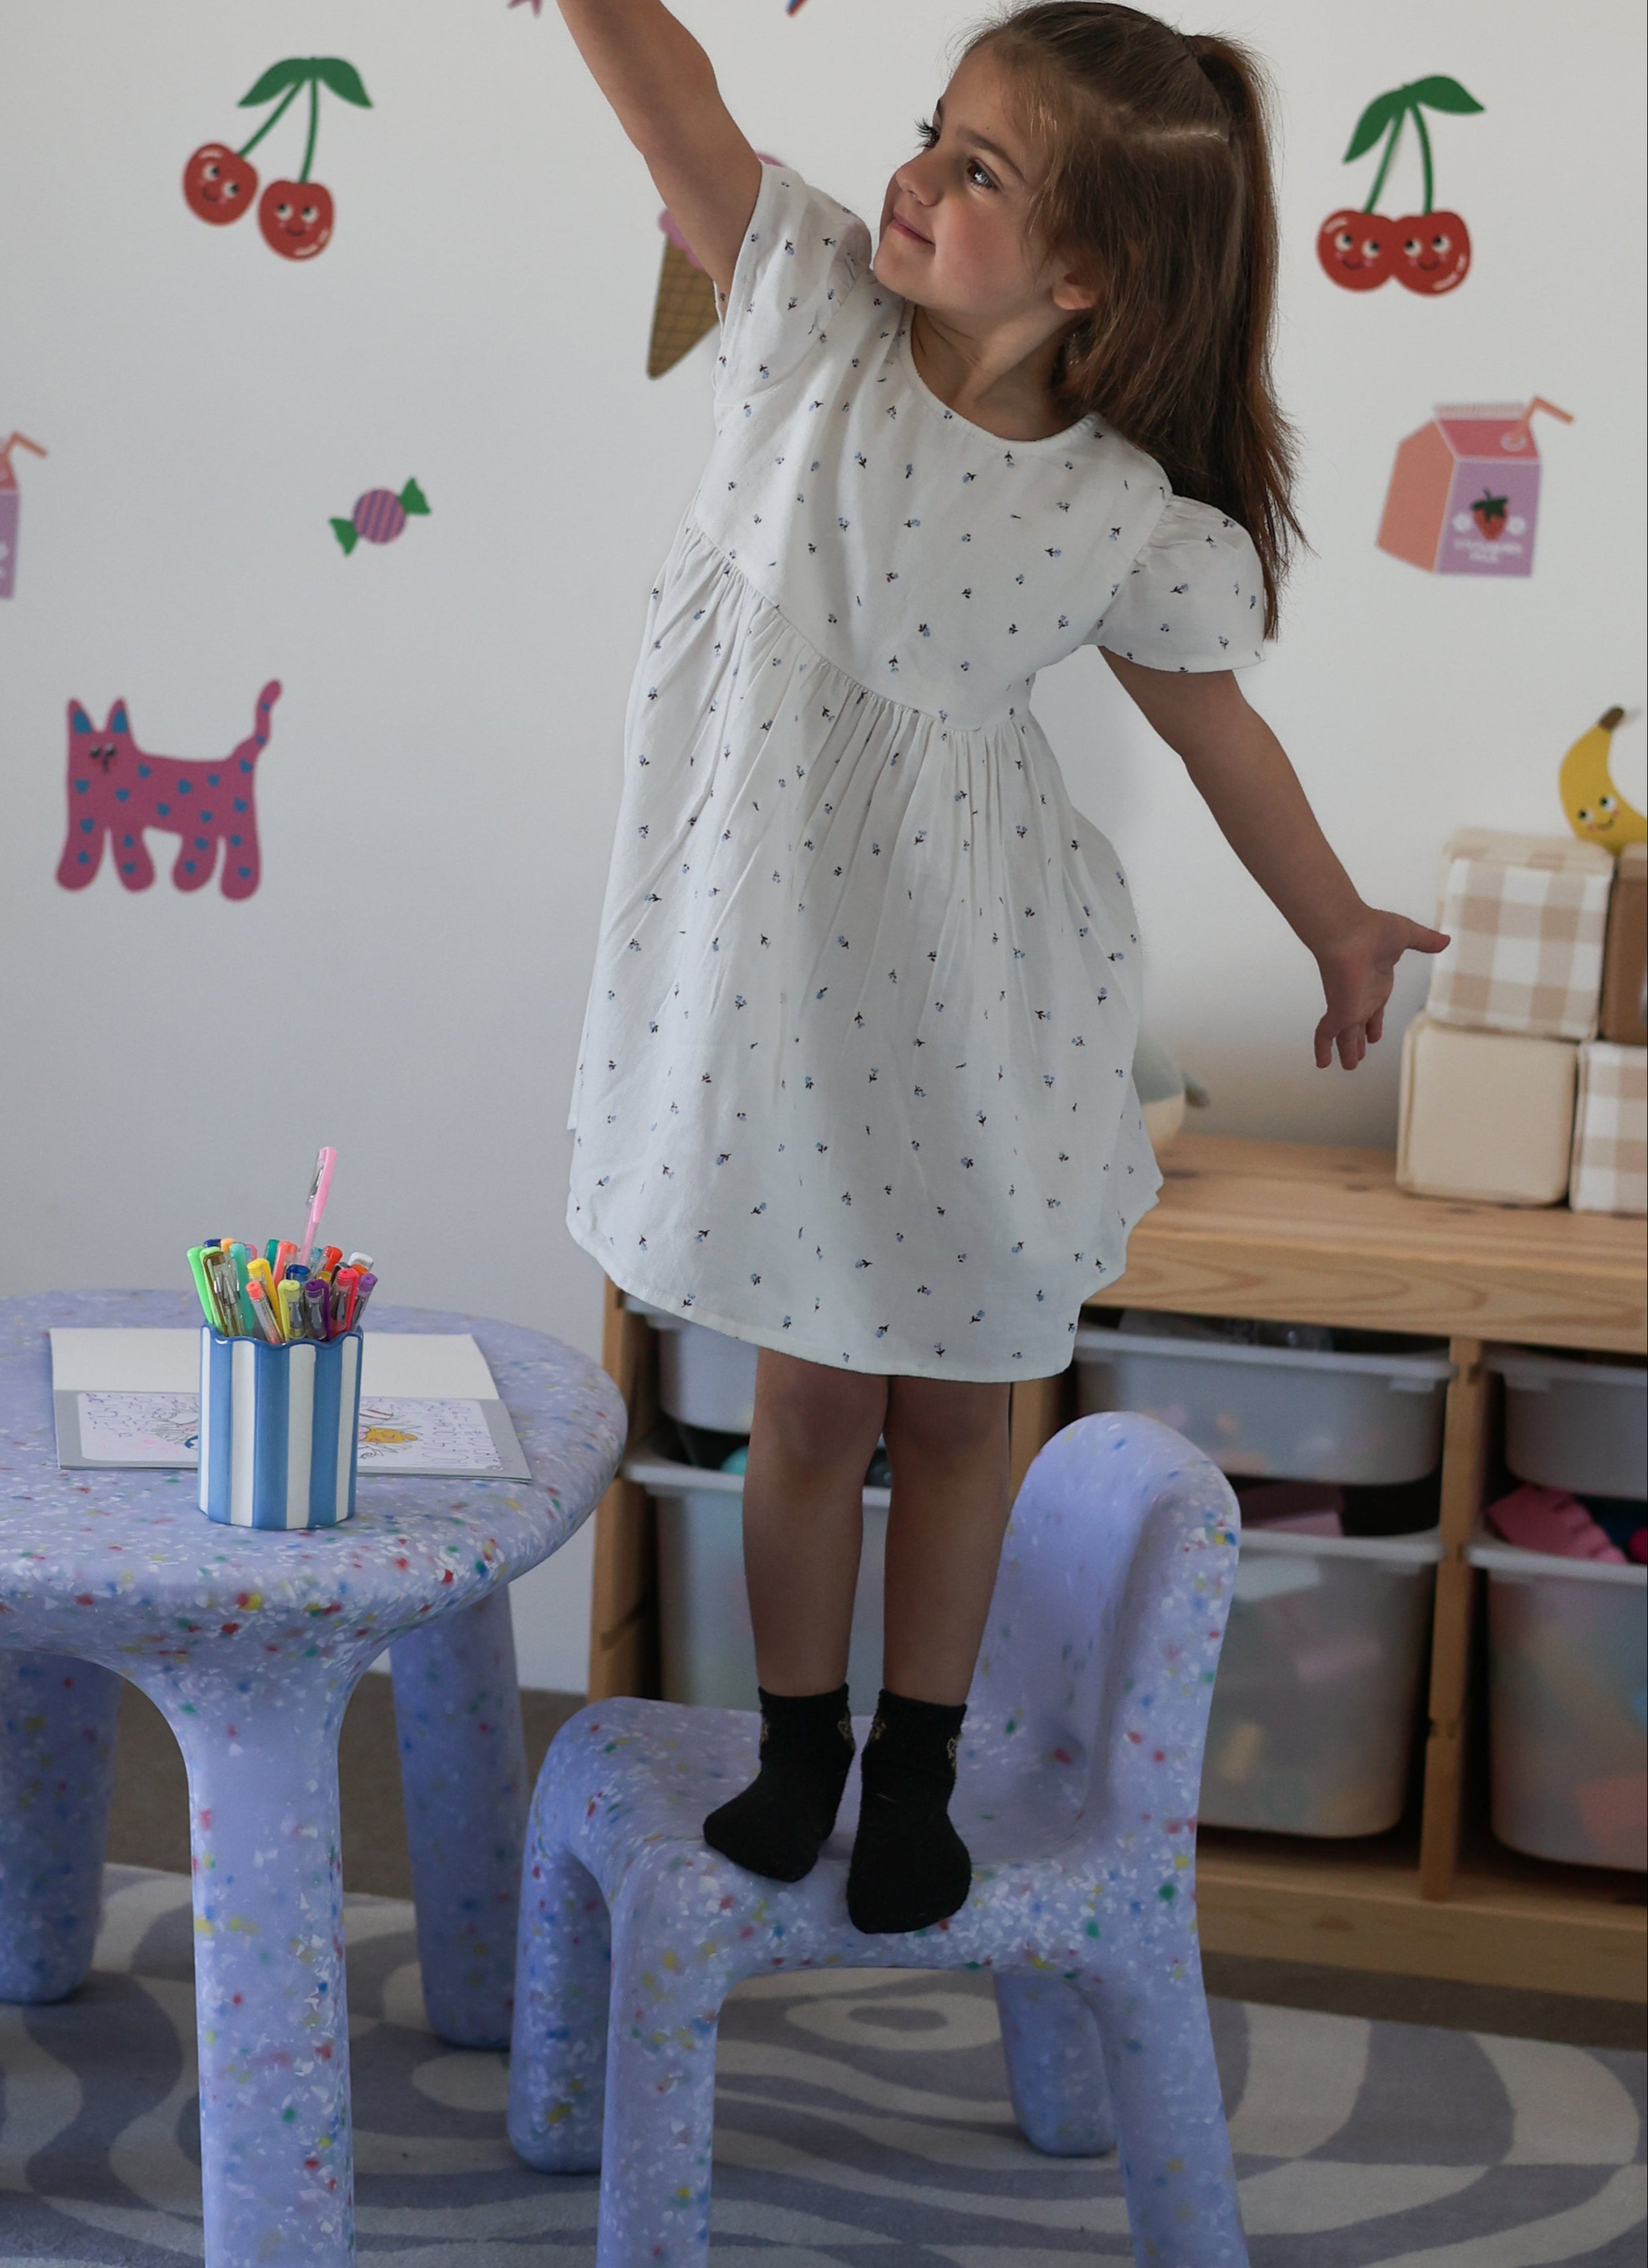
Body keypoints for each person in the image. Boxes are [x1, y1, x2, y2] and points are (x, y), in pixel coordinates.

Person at [556, 1, 1447, 1934]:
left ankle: (917, 1773)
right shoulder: (805, 313)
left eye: (978, 169)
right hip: (782, 983)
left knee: (958, 1405)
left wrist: (1338, 923)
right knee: (809, 1401)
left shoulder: (1117, 508)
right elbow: (675, 104)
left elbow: (1224, 739)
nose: (914, 179)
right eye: (930, 134)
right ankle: (799, 1746)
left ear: (1086, 273)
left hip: (972, 997)